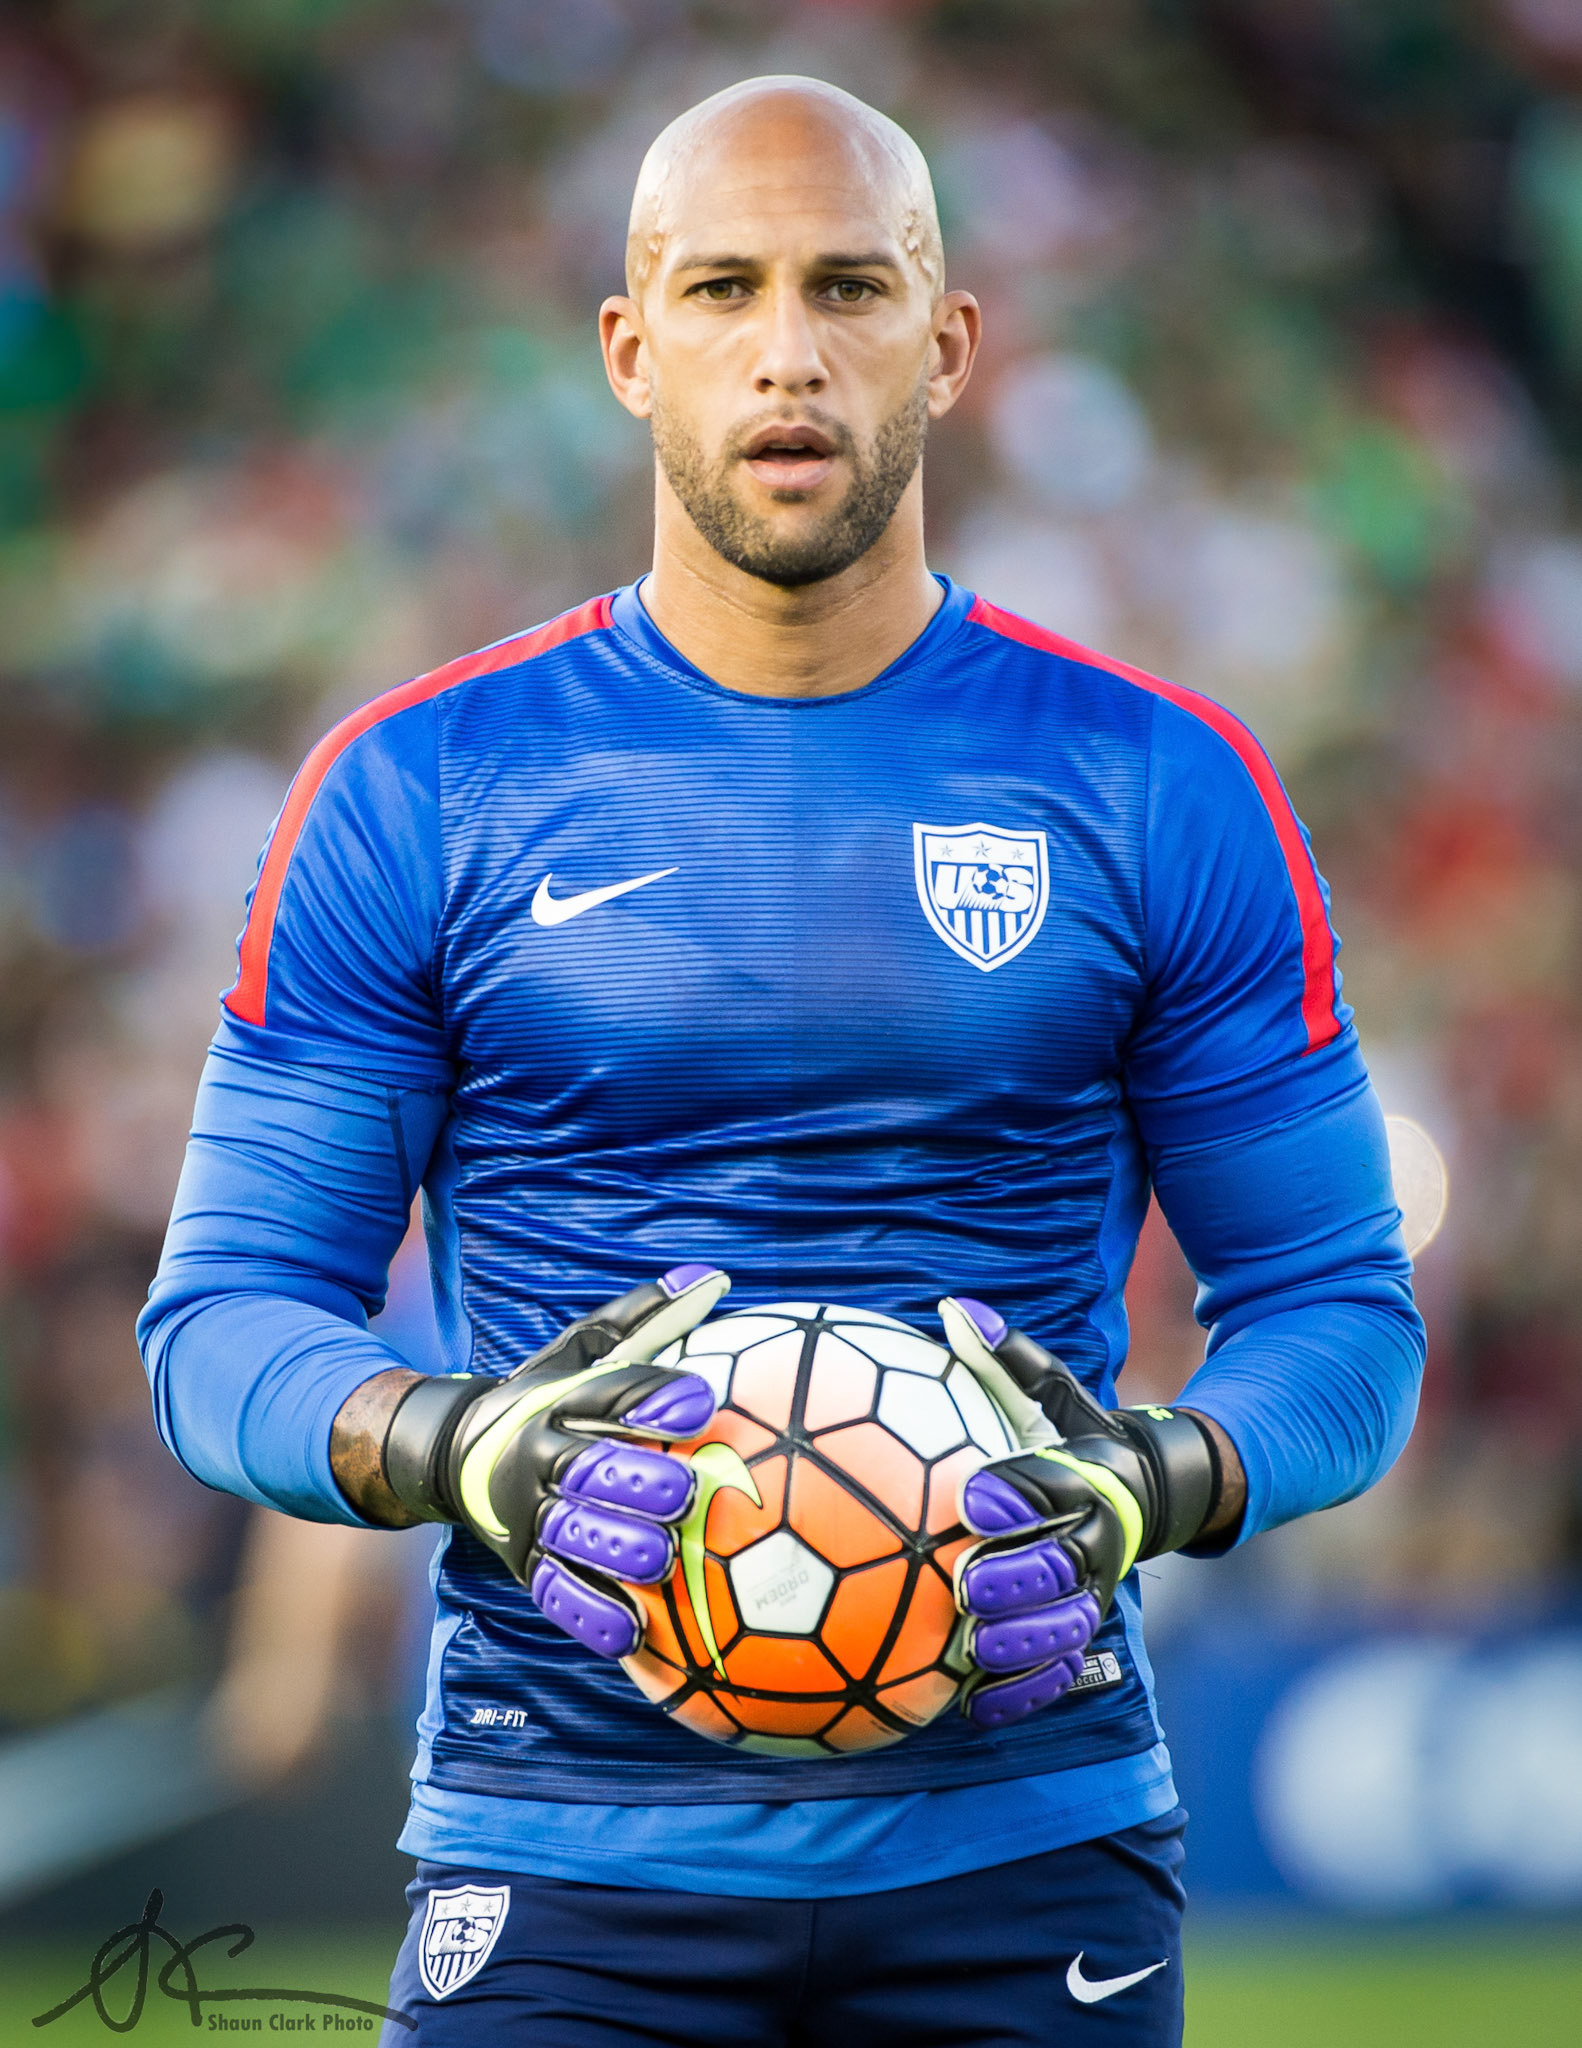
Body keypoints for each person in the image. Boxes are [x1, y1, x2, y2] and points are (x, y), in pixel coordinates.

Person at [138, 76, 1424, 2047]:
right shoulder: (418, 791)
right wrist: (452, 1440)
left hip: (1030, 1843)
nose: (789, 350)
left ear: (951, 337)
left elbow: (1337, 1309)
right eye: (723, 289)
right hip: (559, 1851)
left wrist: (1158, 1475)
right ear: (627, 349)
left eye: (847, 285)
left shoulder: (1161, 785)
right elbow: (223, 1318)